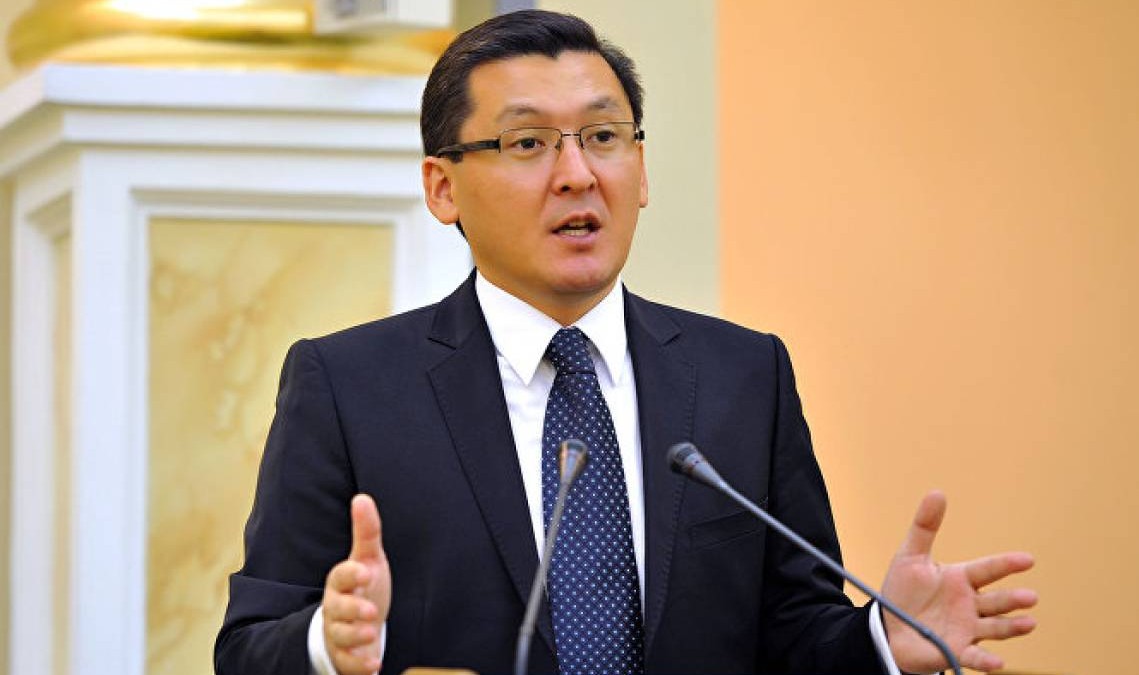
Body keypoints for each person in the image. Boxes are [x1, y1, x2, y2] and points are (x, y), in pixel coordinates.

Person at [214, 10, 1037, 675]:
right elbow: (248, 648)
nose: (578, 173)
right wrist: (328, 645)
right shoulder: (349, 386)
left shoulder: (745, 376)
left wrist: (879, 643)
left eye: (604, 137)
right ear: (442, 187)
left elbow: (793, 634)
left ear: (641, 172)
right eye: (528, 143)